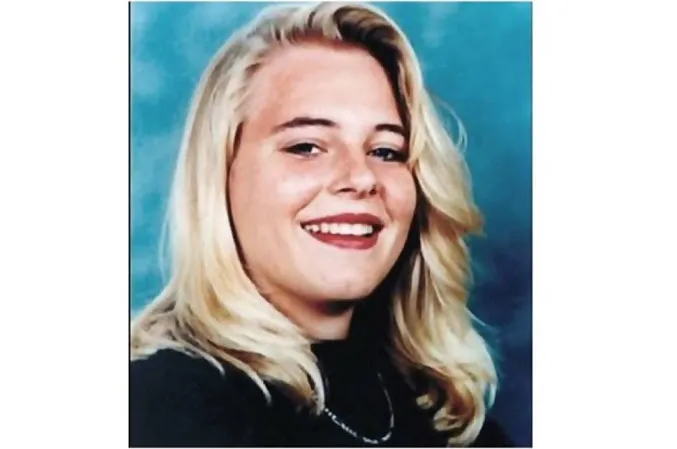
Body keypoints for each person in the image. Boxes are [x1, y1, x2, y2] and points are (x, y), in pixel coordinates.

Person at [130, 2, 514, 447]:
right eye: (307, 146)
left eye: (386, 151)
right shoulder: (159, 405)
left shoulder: (442, 411)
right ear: (220, 173)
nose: (362, 177)